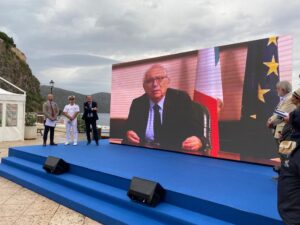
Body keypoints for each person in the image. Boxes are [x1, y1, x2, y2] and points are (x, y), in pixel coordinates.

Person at [124, 64, 207, 152]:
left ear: (167, 82)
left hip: (173, 156)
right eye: (149, 81)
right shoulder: (138, 103)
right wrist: (128, 133)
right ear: (144, 86)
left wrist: (199, 141)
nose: (155, 84)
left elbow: (199, 134)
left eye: (159, 78)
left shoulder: (181, 99)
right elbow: (127, 129)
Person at [278, 88, 300, 225]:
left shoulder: (293, 111)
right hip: (289, 141)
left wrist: (291, 119)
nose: (293, 98)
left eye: (295, 96)